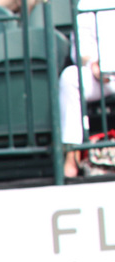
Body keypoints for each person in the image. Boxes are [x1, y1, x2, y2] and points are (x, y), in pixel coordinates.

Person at [60, 0, 115, 178]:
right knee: (70, 77)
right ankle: (72, 157)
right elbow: (80, 45)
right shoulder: (89, 2)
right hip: (103, 75)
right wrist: (91, 63)